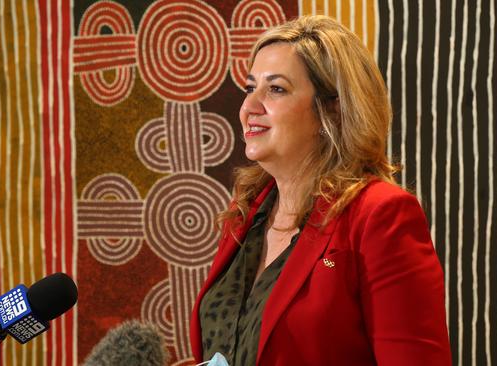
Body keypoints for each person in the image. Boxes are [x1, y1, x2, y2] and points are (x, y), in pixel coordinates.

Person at [190, 15, 451, 365]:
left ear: (334, 109)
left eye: (276, 89)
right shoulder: (246, 211)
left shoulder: (381, 214)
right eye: (251, 88)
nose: (249, 107)